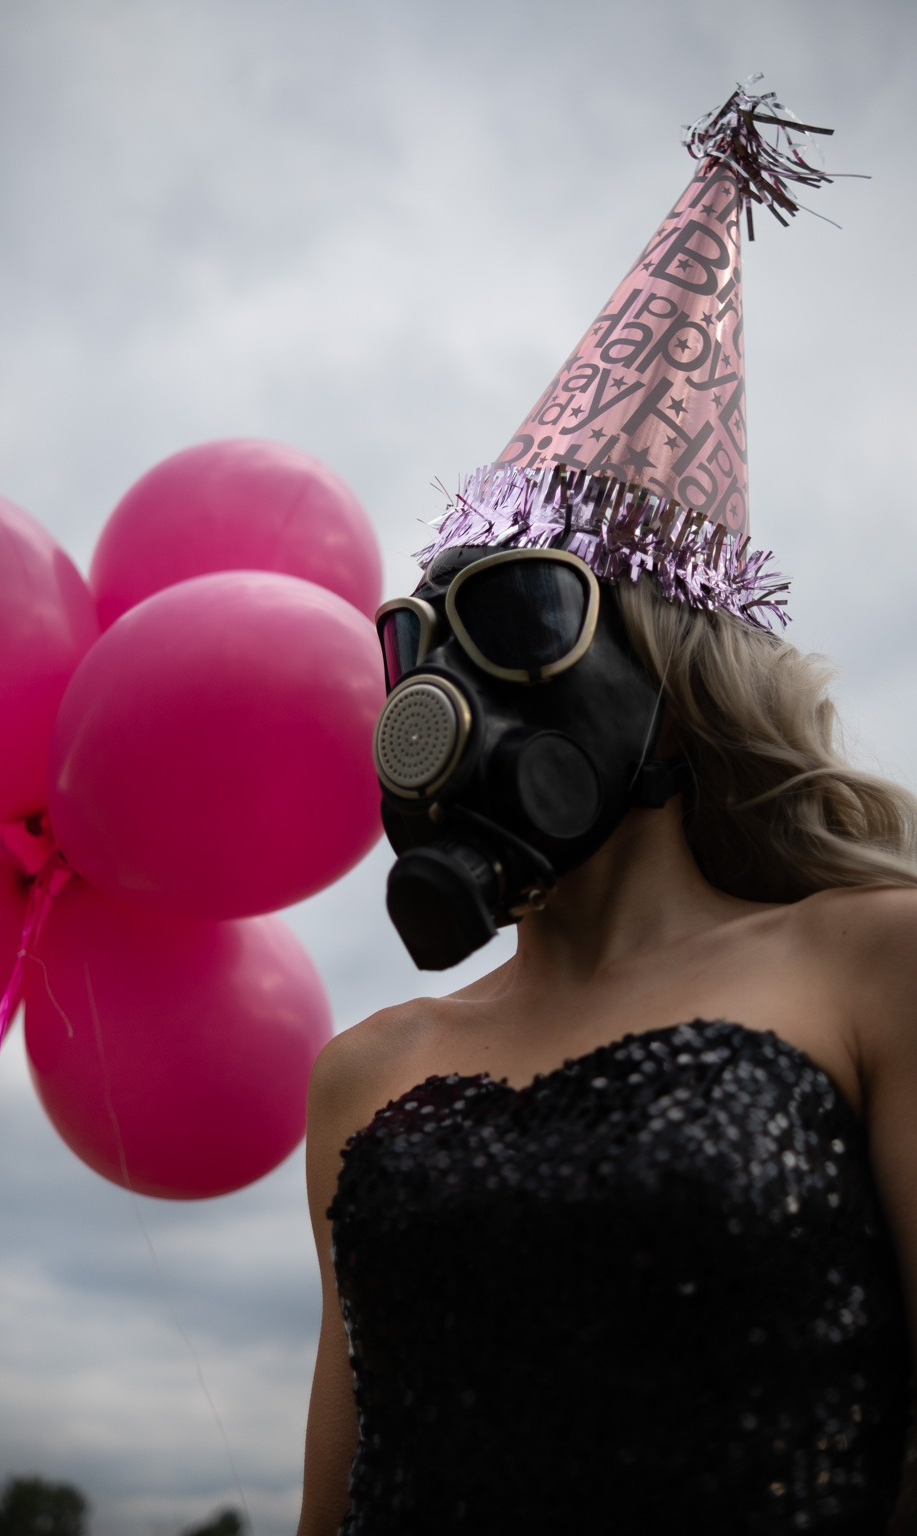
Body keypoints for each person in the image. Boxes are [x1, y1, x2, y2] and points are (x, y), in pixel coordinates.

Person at [297, 88, 917, 1535]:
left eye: (513, 618)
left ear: (669, 670)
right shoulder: (359, 1075)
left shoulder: (874, 965)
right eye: (417, 641)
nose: (440, 693)